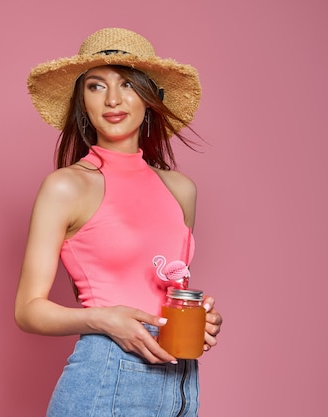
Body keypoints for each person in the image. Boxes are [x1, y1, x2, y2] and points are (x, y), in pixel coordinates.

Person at [14, 28, 223, 416]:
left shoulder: (181, 189)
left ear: (151, 99)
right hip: (107, 371)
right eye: (96, 86)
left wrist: (200, 319)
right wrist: (106, 320)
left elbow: (165, 286)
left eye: (127, 84)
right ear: (82, 103)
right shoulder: (67, 187)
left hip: (180, 381)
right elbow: (28, 310)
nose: (112, 99)